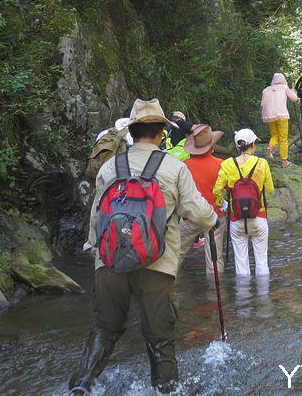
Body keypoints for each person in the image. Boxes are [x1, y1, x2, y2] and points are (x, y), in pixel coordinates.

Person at [69, 99, 219, 395]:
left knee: (105, 326)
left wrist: (94, 247)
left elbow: (97, 213)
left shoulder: (110, 166)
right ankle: (166, 388)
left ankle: (83, 384)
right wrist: (214, 221)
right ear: (162, 132)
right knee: (159, 335)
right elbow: (199, 212)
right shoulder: (173, 167)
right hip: (157, 261)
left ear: (132, 131)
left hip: (109, 259)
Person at [213, 129, 274, 276]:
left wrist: (223, 203)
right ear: (253, 144)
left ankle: (243, 297)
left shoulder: (227, 164)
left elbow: (217, 190)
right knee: (261, 262)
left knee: (241, 266)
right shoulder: (262, 163)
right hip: (259, 217)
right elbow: (270, 190)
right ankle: (263, 296)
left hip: (236, 218)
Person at [177, 124, 226, 274]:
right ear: (212, 146)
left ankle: (168, 287)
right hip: (215, 216)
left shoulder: (184, 166)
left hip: (190, 216)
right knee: (214, 259)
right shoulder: (220, 164)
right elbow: (228, 190)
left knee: (175, 254)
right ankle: (215, 292)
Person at [261, 72, 299, 167]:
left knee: (274, 135)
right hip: (282, 116)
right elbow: (295, 99)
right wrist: (293, 91)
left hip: (269, 116)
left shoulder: (266, 90)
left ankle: (270, 148)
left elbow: (262, 104)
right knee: (283, 138)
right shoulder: (284, 87)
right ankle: (284, 161)